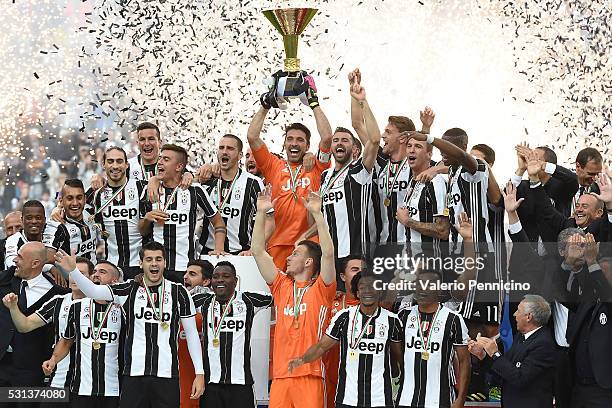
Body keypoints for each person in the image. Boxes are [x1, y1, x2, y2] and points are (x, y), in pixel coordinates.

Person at [58, 241, 205, 408]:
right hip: (133, 376)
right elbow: (93, 291)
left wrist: (199, 372)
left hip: (167, 375)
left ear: (165, 262)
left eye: (158, 259)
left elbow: (192, 333)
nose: (154, 263)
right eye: (149, 259)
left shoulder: (179, 292)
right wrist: (74, 271)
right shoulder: (129, 289)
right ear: (140, 263)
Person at [251, 186, 336, 408]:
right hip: (281, 376)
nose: (288, 257)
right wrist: (261, 213)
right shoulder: (281, 286)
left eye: (295, 254)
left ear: (309, 262)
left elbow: (327, 253)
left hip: (311, 374)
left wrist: (317, 214)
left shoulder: (321, 288)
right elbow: (258, 251)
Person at [247, 73, 333, 270]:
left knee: (306, 296)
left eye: (300, 140)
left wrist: (313, 103)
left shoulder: (317, 166)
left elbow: (327, 138)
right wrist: (265, 105)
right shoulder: (273, 165)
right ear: (284, 143)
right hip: (278, 243)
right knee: (279, 297)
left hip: (310, 243)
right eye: (290, 139)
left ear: (308, 145)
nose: (294, 143)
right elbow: (252, 137)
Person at [289, 273, 403, 408]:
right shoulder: (344, 317)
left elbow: (400, 356)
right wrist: (302, 360)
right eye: (362, 287)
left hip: (381, 399)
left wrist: (401, 381)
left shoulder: (393, 321)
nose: (367, 291)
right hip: (347, 398)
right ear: (357, 293)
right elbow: (321, 347)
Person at [312, 70, 379, 261]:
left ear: (354, 148)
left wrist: (360, 100)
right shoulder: (325, 177)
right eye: (336, 140)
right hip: (331, 256)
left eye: (345, 140)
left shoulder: (359, 169)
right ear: (330, 146)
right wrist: (305, 236)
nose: (340, 143)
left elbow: (373, 139)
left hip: (358, 254)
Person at [2, 257, 92, 395]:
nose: (76, 278)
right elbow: (25, 326)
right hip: (59, 377)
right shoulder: (58, 301)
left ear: (91, 277)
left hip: (91, 380)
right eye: (73, 273)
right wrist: (13, 308)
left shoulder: (103, 303)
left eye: (81, 274)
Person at [139, 144, 227, 282]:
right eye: (160, 158)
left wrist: (219, 249)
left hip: (185, 268)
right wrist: (147, 219)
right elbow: (143, 231)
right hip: (157, 268)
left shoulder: (195, 190)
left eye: (166, 159)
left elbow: (218, 222)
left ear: (179, 167)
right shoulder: (150, 189)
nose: (160, 162)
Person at [42, 260, 124, 408]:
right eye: (94, 272)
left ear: (114, 281)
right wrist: (54, 359)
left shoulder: (124, 309)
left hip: (114, 388)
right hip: (81, 389)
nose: (96, 275)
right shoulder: (77, 307)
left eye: (102, 272)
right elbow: (66, 341)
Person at [192, 261, 273, 408]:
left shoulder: (249, 300)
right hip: (211, 384)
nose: (220, 280)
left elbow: (280, 296)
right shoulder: (201, 301)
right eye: (216, 277)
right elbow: (175, 301)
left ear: (235, 281)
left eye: (226, 276)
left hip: (241, 384)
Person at [0, 242, 70, 401]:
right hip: (2, 364)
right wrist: (48, 266)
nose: (14, 260)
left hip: (31, 371)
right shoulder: (6, 281)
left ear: (35, 263)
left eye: (20, 257)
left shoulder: (57, 294)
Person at [396, 269, 471, 408]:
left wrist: (461, 398)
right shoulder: (403, 316)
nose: (422, 288)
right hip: (406, 399)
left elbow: (465, 361)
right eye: (419, 283)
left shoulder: (453, 319)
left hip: (440, 400)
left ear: (439, 290)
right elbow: (397, 354)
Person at [475, 295, 557, 408]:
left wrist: (495, 353)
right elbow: (506, 370)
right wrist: (483, 355)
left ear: (528, 317)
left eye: (518, 311)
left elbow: (520, 378)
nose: (514, 315)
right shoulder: (520, 337)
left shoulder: (543, 344)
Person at [85, 147, 148, 279]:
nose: (115, 166)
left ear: (127, 164)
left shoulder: (142, 187)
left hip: (140, 265)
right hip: (112, 265)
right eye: (110, 161)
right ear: (103, 165)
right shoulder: (96, 193)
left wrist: (189, 175)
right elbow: (69, 201)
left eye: (119, 161)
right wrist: (58, 208)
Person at [197, 134, 264, 255]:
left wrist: (254, 248)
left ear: (240, 155)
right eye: (221, 148)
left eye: (230, 148)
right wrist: (193, 176)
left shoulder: (253, 183)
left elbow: (268, 220)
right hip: (208, 252)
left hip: (240, 253)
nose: (224, 152)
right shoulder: (208, 179)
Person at [324, 255, 366, 408]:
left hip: (363, 382)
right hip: (331, 377)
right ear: (342, 276)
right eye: (354, 270)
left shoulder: (374, 306)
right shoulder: (329, 302)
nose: (360, 274)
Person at [178, 259, 211, 408]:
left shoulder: (214, 305)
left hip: (211, 372)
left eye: (192, 274)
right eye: (186, 273)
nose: (185, 277)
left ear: (206, 282)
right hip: (183, 370)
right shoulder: (176, 301)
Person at [43, 179, 98, 264]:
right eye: (70, 198)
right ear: (61, 201)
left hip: (94, 274)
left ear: (85, 199)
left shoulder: (90, 211)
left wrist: (97, 177)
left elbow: (99, 182)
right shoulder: (56, 225)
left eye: (79, 198)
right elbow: (47, 259)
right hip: (71, 276)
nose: (75, 203)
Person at [5, 201, 46, 268]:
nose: (34, 221)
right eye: (29, 218)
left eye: (38, 218)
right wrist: (48, 267)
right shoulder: (13, 240)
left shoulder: (51, 235)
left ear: (44, 220)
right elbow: (12, 264)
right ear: (22, 220)